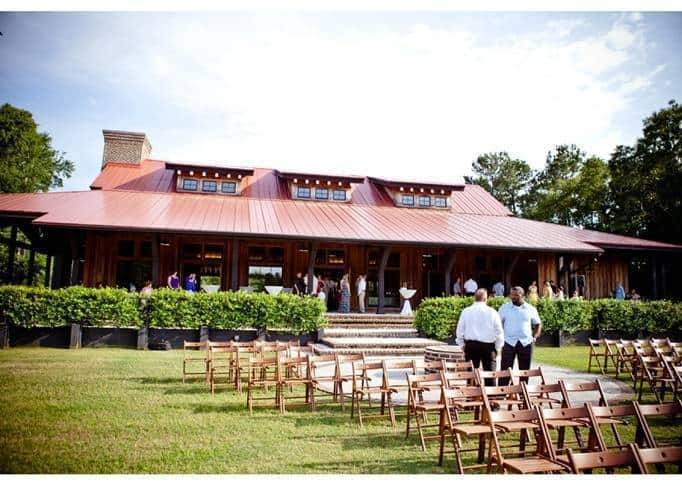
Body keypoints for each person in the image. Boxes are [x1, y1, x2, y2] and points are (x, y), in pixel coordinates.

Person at [455, 288, 504, 386]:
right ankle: (490, 398)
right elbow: (499, 332)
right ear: (486, 298)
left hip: (471, 345)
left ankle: (470, 397)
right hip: (488, 346)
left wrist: (462, 344)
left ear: (474, 298)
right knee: (489, 374)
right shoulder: (492, 312)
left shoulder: (466, 311)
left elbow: (460, 330)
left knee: (471, 374)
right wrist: (498, 347)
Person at [498, 286, 542, 386]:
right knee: (505, 370)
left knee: (525, 371)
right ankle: (501, 393)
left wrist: (534, 337)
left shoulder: (531, 309)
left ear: (522, 295)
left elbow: (538, 324)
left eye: (516, 295)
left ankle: (523, 393)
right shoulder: (504, 308)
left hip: (526, 343)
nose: (513, 297)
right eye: (511, 295)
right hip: (508, 342)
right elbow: (498, 323)